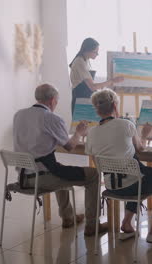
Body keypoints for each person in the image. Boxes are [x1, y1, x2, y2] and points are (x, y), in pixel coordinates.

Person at [13, 83, 108, 236]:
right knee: (94, 175)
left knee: (61, 169)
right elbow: (70, 146)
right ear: (52, 101)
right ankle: (92, 224)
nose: (56, 104)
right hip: (43, 178)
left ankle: (68, 217)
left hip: (24, 177)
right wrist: (79, 132)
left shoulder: (19, 114)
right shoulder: (51, 117)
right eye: (57, 101)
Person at [85, 88, 152, 243]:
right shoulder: (126, 124)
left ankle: (126, 223)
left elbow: (96, 162)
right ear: (115, 106)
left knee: (139, 175)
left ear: (97, 111)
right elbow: (140, 147)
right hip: (133, 185)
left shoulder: (92, 133)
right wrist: (145, 134)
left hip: (111, 186)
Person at [69, 38, 124, 114]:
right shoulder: (80, 62)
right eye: (95, 52)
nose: (97, 54)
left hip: (85, 97)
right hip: (80, 99)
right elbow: (92, 86)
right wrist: (112, 81)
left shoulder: (86, 60)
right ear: (88, 50)